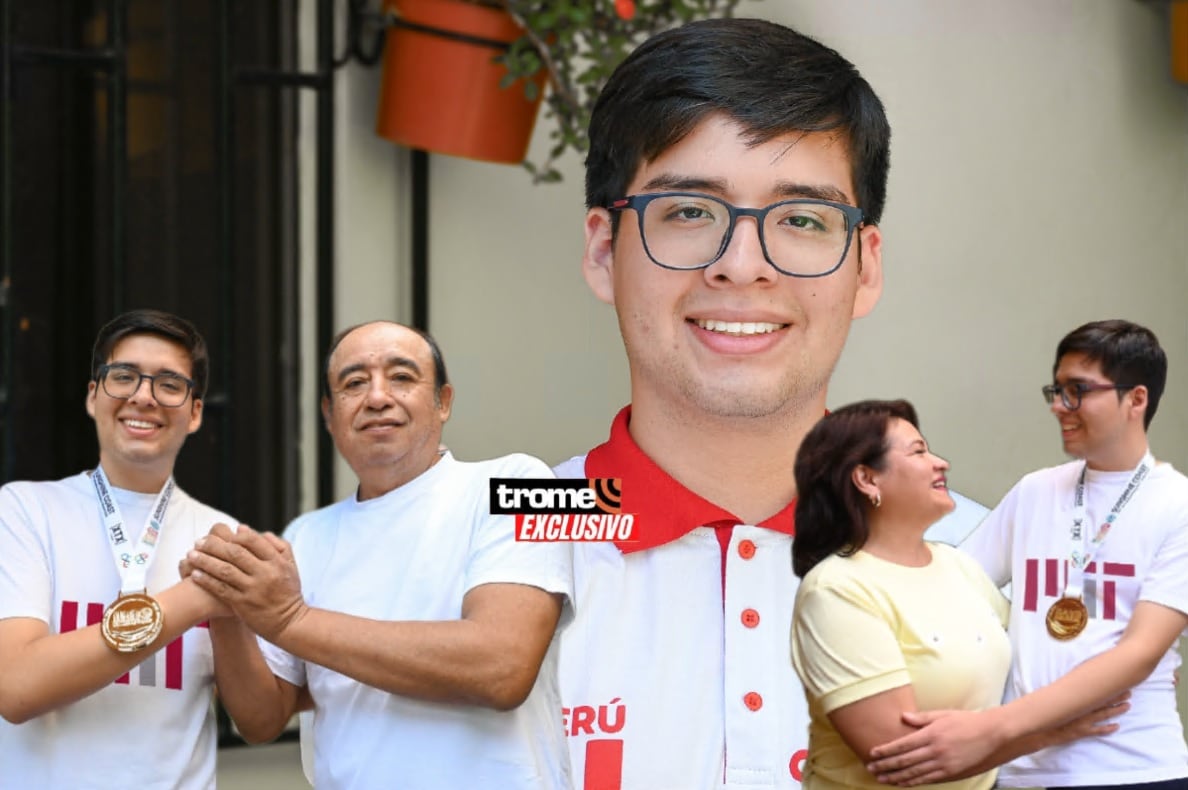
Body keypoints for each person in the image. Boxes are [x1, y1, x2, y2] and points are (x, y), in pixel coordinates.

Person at [554, 17, 986, 789]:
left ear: (866, 267)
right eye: (688, 211)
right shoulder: (495, 532)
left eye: (803, 220)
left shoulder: (983, 555)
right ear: (601, 252)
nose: (741, 266)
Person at [184, 320, 574, 788]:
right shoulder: (308, 534)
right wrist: (229, 610)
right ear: (330, 415)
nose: (377, 397)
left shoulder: (522, 482)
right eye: (353, 383)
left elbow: (502, 669)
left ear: (443, 402)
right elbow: (262, 721)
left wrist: (291, 620)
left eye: (403, 377)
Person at [867, 319, 1188, 789]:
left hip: (1133, 767)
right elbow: (954, 594)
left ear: (1136, 399)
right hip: (1020, 772)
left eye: (1077, 391)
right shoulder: (1036, 491)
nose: (1060, 407)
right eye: (1056, 391)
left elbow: (1138, 655)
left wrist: (993, 727)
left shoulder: (1177, 505)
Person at [790, 399, 1124, 790]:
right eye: (918, 452)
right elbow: (902, 758)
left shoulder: (955, 566)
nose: (940, 463)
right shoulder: (836, 591)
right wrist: (1048, 731)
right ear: (866, 479)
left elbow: (1035, 647)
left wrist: (1124, 657)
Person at [0, 309, 236, 789]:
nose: (143, 396)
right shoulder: (24, 511)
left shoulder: (222, 536)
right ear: (94, 397)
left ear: (195, 412)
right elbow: (16, 688)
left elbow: (259, 722)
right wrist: (192, 601)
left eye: (169, 384)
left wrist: (239, 613)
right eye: (123, 376)